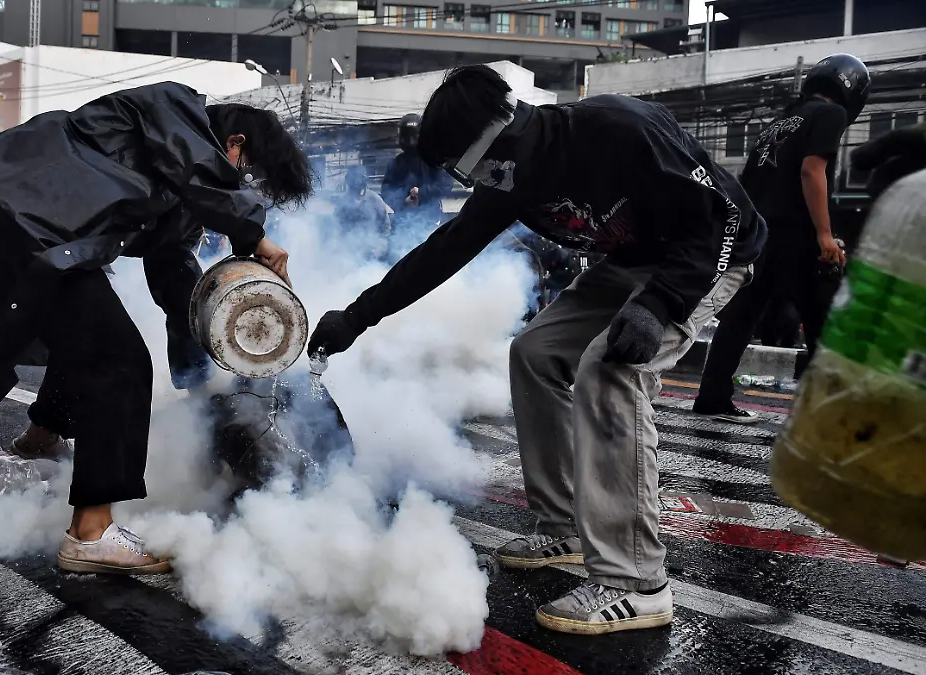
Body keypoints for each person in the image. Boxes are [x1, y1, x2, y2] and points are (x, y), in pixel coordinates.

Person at [307, 65, 765, 635]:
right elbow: (442, 252)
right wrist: (358, 316)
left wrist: (660, 304)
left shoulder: (615, 127)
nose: (473, 186)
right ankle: (566, 526)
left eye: (465, 171)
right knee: (534, 350)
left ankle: (638, 582)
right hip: (628, 264)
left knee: (610, 369)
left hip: (706, 258)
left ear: (491, 144)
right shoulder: (511, 177)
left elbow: (721, 216)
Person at [0, 84, 313, 576]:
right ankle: (91, 533)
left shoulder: (180, 189)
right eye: (248, 177)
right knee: (119, 360)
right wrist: (254, 235)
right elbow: (197, 166)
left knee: (86, 339)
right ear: (232, 145)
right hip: (15, 218)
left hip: (39, 238)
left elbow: (174, 275)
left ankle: (41, 438)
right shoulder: (173, 108)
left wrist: (201, 376)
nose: (244, 189)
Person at [694, 54, 869, 424]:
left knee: (740, 318)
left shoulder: (780, 121)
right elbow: (812, 171)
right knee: (822, 321)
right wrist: (824, 234)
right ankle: (820, 413)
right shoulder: (830, 115)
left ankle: (712, 396)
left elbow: (747, 181)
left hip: (759, 233)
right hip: (796, 234)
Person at [380, 113, 453, 257]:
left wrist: (422, 193)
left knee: (430, 258)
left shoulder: (433, 160)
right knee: (400, 258)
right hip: (403, 223)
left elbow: (446, 184)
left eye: (412, 137)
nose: (409, 142)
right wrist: (403, 201)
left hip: (430, 222)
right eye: (406, 137)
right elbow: (386, 190)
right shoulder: (397, 162)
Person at [334, 164, 391, 258]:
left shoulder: (375, 199)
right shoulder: (342, 202)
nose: (356, 182)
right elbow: (337, 228)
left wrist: (379, 249)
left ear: (365, 179)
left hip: (372, 250)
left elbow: (385, 227)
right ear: (348, 180)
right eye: (353, 178)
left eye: (359, 178)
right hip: (349, 252)